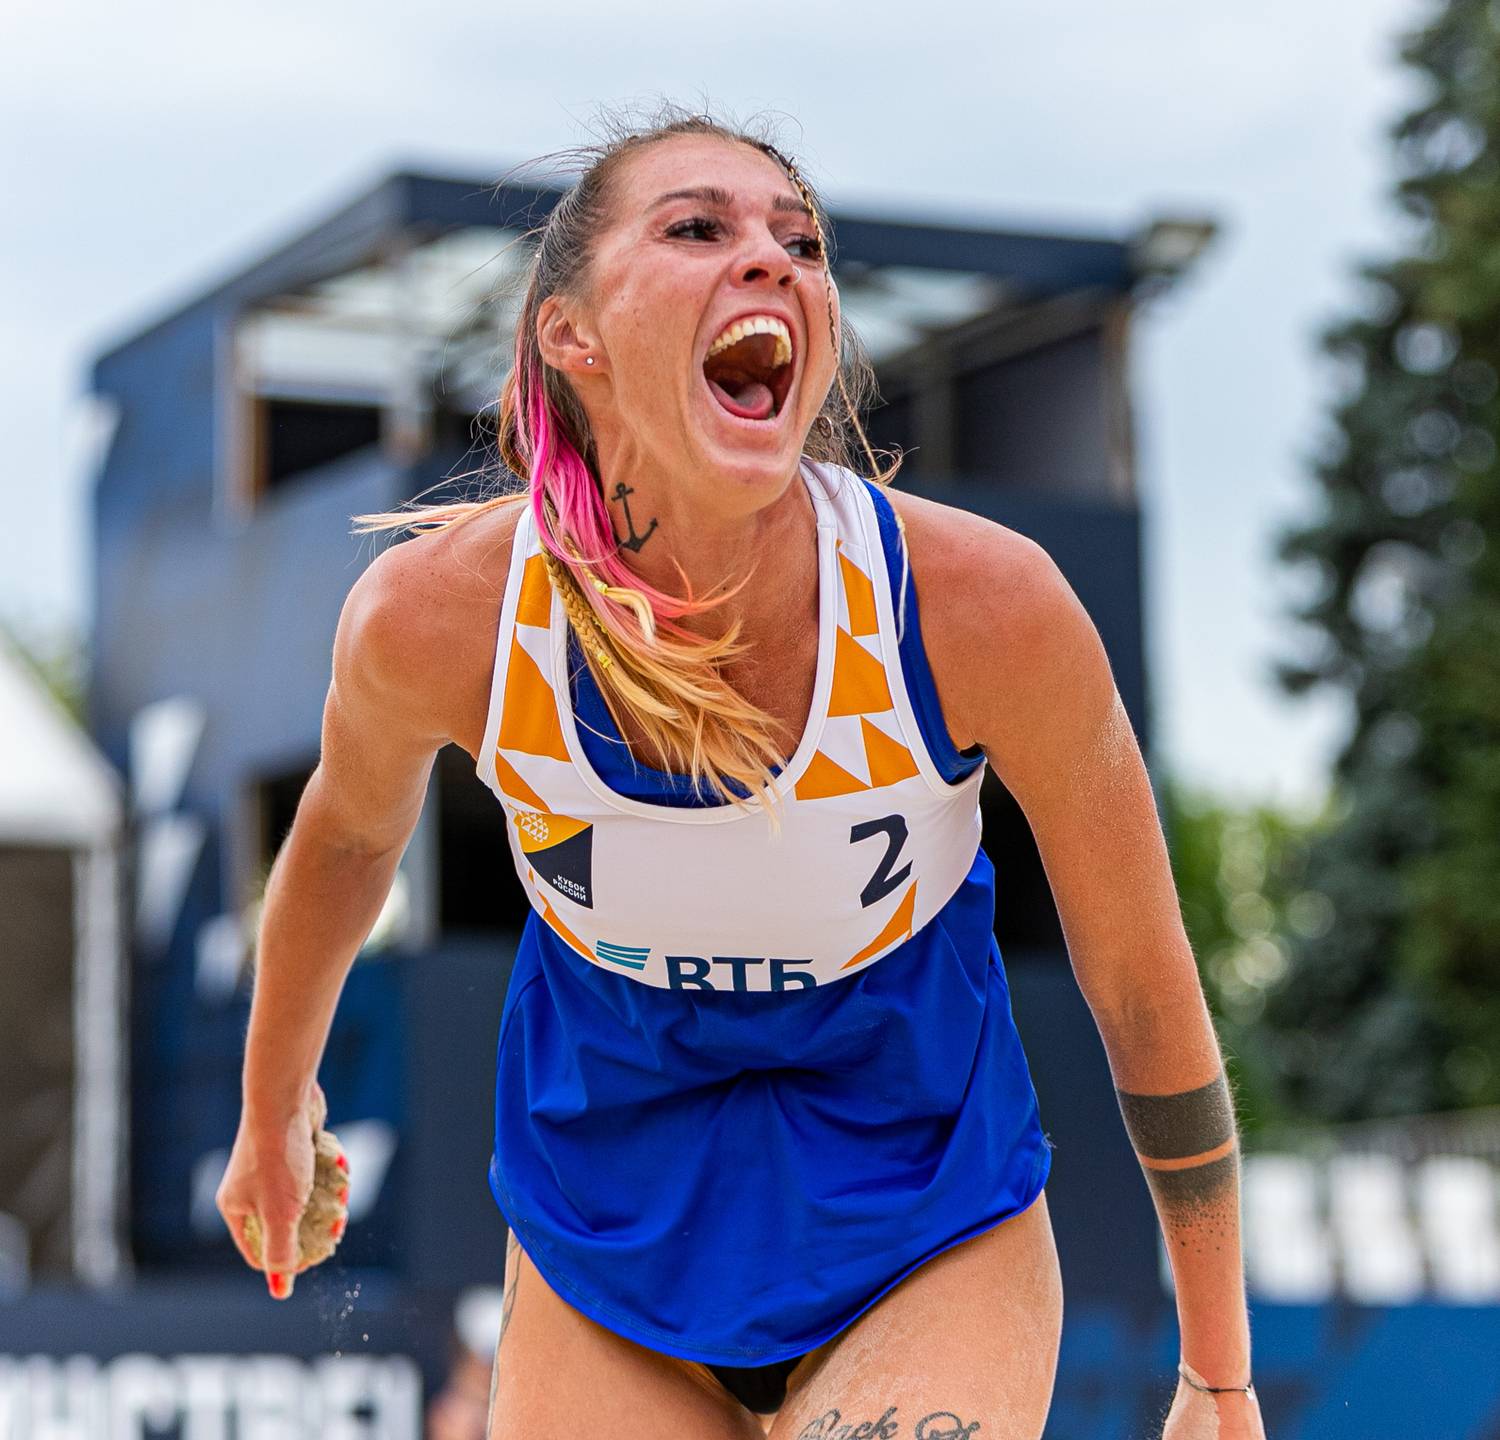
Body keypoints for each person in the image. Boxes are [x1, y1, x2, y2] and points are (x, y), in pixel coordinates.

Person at [215, 108, 1267, 1440]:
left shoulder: (980, 606)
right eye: (698, 228)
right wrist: (273, 1107)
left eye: (802, 242)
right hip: (607, 1247)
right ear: (571, 334)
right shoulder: (442, 620)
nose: (771, 258)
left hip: (922, 1232)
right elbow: (346, 840)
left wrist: (1218, 1373)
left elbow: (1143, 988)